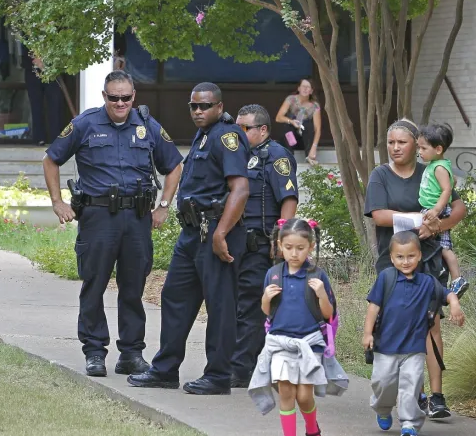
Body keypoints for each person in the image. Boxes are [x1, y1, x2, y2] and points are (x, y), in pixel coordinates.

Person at [42, 70, 183, 377]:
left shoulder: (147, 125)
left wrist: (163, 206)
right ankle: (94, 352)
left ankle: (131, 354)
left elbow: (174, 165)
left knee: (134, 287)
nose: (120, 103)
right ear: (104, 96)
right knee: (94, 285)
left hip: (136, 218)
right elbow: (51, 159)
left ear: (134, 97)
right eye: (114, 97)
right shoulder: (85, 124)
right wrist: (57, 201)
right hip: (98, 217)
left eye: (126, 98)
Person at [127, 82, 250, 395]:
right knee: (174, 298)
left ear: (219, 107)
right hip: (192, 232)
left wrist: (221, 233)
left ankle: (219, 376)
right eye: (193, 106)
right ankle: (165, 369)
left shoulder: (228, 136)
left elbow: (240, 189)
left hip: (215, 231)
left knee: (220, 307)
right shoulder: (204, 134)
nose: (198, 111)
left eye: (205, 106)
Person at [364, 118, 467, 419]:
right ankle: (411, 391)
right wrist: (419, 221)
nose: (395, 148)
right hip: (394, 265)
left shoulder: (431, 168)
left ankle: (436, 396)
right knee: (399, 325)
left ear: (417, 145)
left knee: (431, 325)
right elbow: (380, 216)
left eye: (402, 142)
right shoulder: (381, 174)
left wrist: (438, 226)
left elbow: (459, 208)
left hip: (429, 261)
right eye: (391, 143)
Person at [247, 218, 348, 436]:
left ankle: (312, 429)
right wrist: (265, 297)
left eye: (300, 248)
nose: (294, 253)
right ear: (279, 246)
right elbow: (267, 312)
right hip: (280, 343)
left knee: (303, 396)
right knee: (286, 393)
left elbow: (328, 314)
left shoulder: (317, 276)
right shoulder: (273, 274)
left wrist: (321, 294)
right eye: (289, 247)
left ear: (310, 247)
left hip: (309, 344)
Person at [363, 231, 465, 436]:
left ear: (419, 256)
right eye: (400, 257)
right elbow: (373, 307)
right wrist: (367, 333)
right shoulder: (386, 278)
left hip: (414, 349)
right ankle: (383, 410)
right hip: (386, 347)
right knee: (383, 384)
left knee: (411, 386)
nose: (406, 261)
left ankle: (409, 423)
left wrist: (455, 304)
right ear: (392, 258)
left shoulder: (427, 282)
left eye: (410, 256)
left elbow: (447, 294)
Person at [231, 104, 299, 388]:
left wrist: (282, 240)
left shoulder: (276, 156)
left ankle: (241, 367)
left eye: (245, 128)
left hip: (261, 243)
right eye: (237, 128)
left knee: (252, 306)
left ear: (263, 130)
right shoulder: (234, 154)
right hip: (235, 242)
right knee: (235, 304)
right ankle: (243, 361)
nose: (239, 133)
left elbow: (288, 200)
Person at [416, 123, 469, 298]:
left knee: (444, 248)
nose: (420, 151)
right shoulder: (435, 164)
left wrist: (437, 210)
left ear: (438, 149)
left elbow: (447, 190)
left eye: (423, 148)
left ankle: (457, 278)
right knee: (437, 245)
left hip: (434, 210)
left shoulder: (439, 168)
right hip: (431, 209)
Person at [23, 43, 63, 146]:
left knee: (54, 105)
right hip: (32, 73)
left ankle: (55, 138)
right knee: (36, 106)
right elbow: (25, 56)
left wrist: (45, 65)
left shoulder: (54, 35)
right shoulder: (28, 34)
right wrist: (35, 61)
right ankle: (39, 138)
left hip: (52, 72)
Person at [274, 79, 321, 165]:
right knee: (288, 122)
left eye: (308, 87)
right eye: (303, 86)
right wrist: (291, 121)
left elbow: (318, 129)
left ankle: (309, 157)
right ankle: (289, 156)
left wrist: (314, 148)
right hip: (289, 140)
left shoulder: (315, 106)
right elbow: (278, 118)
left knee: (308, 124)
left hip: (304, 141)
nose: (305, 89)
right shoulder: (291, 99)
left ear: (311, 91)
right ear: (298, 88)